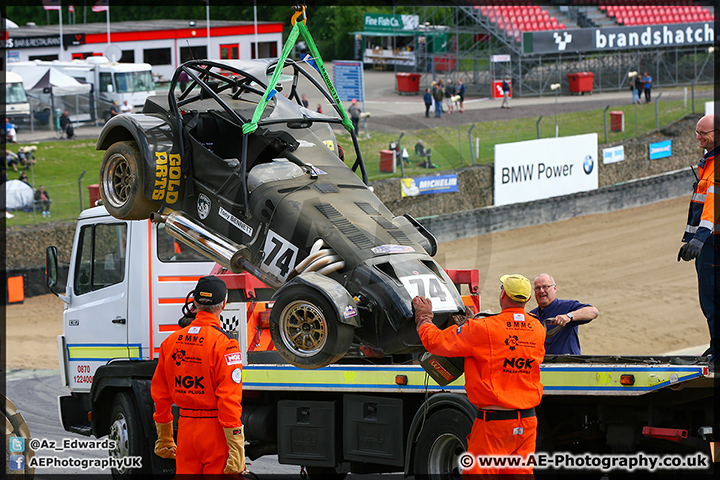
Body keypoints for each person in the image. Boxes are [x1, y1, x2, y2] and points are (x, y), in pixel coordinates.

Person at [414, 274, 544, 477]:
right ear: (527, 299)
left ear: (503, 295)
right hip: (527, 422)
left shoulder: (484, 327)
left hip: (494, 424)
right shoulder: (537, 328)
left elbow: (435, 342)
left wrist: (424, 318)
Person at [151, 275, 246, 475]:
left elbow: (160, 392)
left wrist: (165, 436)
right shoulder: (225, 344)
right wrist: (236, 444)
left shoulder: (171, 341)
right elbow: (229, 398)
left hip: (185, 429)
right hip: (215, 432)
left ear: (194, 302)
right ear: (224, 304)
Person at [677, 114, 718, 363]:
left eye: (704, 133)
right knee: (710, 303)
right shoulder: (708, 162)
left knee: (713, 302)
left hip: (713, 243)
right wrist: (690, 239)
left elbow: (712, 207)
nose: (698, 137)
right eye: (696, 132)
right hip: (707, 243)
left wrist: (699, 239)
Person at [530, 273, 599, 355]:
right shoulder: (532, 316)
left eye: (545, 287)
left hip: (568, 365)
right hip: (543, 366)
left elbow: (593, 311)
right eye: (537, 288)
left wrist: (569, 316)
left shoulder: (567, 307)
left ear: (554, 288)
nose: (541, 291)